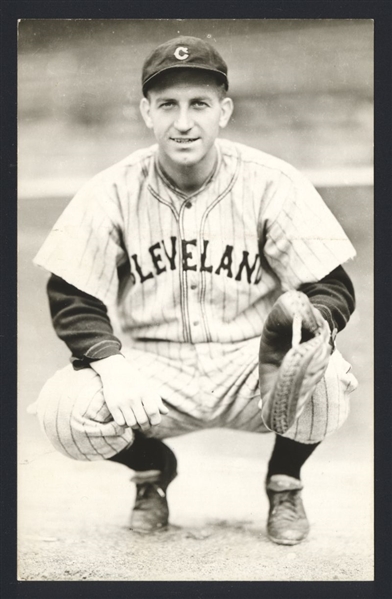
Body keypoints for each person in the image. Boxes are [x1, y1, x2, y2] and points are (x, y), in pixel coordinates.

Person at [33, 36, 358, 545]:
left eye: (199, 104)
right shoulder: (111, 190)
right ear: (147, 112)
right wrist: (112, 367)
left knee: (329, 378)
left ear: (223, 111)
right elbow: (71, 295)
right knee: (63, 409)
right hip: (152, 372)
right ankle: (152, 470)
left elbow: (332, 285)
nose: (183, 122)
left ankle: (285, 482)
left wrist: (315, 327)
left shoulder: (273, 182)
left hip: (251, 367)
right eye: (168, 105)